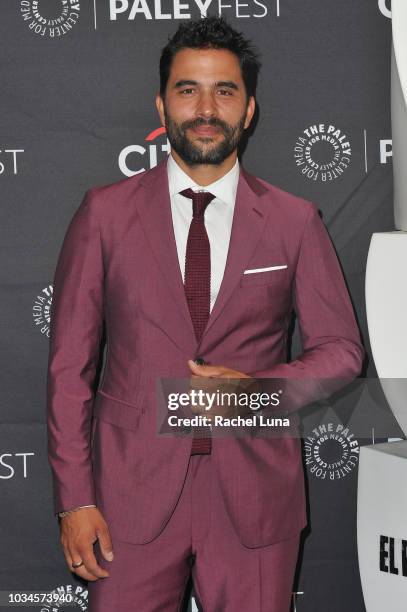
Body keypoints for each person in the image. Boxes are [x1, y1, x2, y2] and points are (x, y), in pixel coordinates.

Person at [46, 15, 364, 612]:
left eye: (225, 91)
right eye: (188, 89)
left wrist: (261, 389)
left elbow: (342, 351)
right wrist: (74, 499)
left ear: (248, 111)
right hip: (127, 498)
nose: (206, 108)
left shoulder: (295, 220)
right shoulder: (104, 215)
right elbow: (70, 369)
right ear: (162, 106)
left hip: (255, 497)